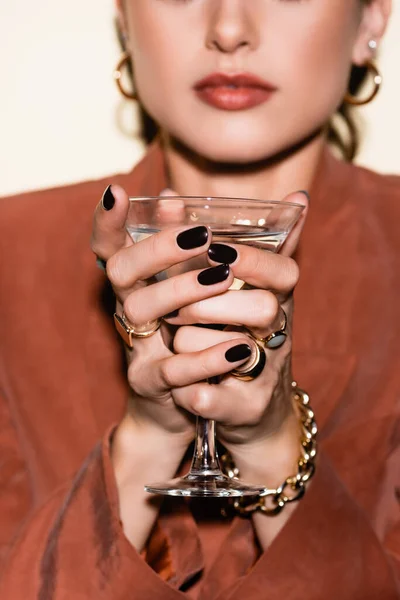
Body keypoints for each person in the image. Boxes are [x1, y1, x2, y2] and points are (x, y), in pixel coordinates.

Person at [0, 0, 399, 597]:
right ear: (124, 20)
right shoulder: (11, 257)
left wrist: (272, 447)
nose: (230, 30)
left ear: (370, 22)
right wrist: (144, 443)